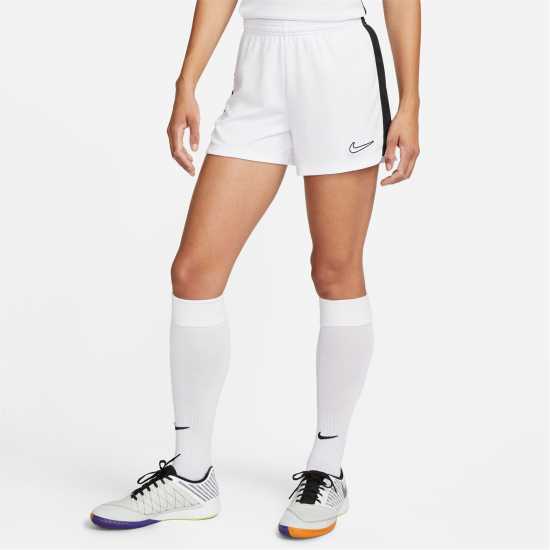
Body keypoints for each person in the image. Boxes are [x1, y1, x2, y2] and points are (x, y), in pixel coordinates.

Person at [90, 0, 420, 538]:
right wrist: (187, 80)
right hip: (260, 63)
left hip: (337, 62)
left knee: (335, 270)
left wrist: (410, 101)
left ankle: (327, 468)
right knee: (194, 272)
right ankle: (191, 474)